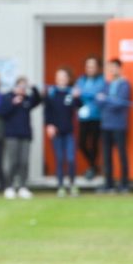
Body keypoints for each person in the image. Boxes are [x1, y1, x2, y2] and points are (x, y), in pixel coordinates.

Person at [0, 76, 41, 199]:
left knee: (24, 162)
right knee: (13, 162)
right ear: (15, 86)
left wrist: (34, 88)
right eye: (20, 86)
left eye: (24, 86)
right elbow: (1, 112)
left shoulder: (27, 99)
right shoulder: (7, 97)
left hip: (25, 135)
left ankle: (23, 186)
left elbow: (38, 100)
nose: (22, 89)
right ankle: (9, 186)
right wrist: (13, 103)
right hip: (11, 135)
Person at [45, 68, 82, 197]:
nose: (61, 79)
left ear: (68, 79)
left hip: (69, 131)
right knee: (60, 159)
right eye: (59, 77)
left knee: (71, 159)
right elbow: (47, 111)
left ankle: (72, 184)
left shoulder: (71, 93)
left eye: (64, 77)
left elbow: (78, 106)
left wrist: (77, 97)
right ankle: (60, 186)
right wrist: (49, 125)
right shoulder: (51, 93)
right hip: (56, 132)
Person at [96, 58, 131, 194]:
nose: (112, 70)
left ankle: (124, 184)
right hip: (106, 124)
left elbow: (120, 104)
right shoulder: (106, 84)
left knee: (122, 154)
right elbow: (98, 101)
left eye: (115, 67)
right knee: (107, 156)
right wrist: (107, 101)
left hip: (119, 125)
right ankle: (108, 184)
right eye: (110, 67)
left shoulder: (125, 84)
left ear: (120, 69)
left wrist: (106, 101)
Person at [75, 57, 106, 180]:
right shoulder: (81, 80)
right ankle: (93, 166)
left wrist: (84, 93)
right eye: (88, 66)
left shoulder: (102, 80)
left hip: (96, 117)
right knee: (81, 143)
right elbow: (77, 95)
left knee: (94, 144)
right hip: (83, 117)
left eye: (93, 66)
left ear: (98, 67)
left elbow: (96, 93)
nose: (90, 69)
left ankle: (93, 168)